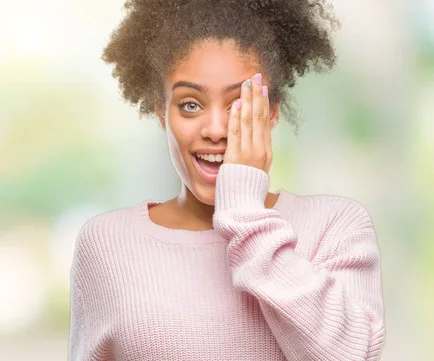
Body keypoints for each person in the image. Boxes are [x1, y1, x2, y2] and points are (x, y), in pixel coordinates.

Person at [68, 0, 386, 360]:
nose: (216, 130)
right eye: (190, 104)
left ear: (271, 112)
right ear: (161, 111)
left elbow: (350, 355)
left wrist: (245, 212)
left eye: (239, 104)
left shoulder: (335, 226)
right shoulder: (107, 243)